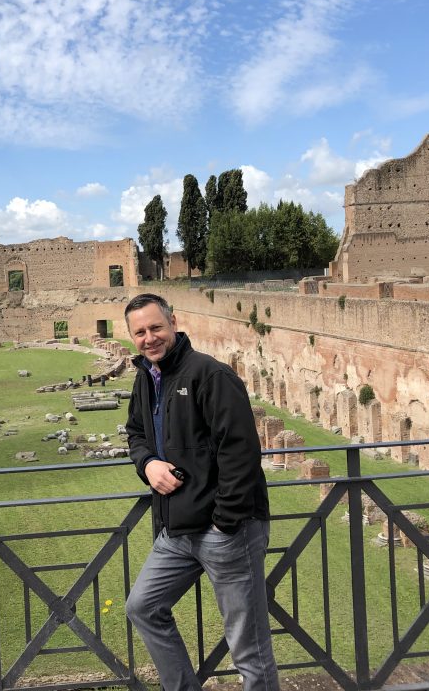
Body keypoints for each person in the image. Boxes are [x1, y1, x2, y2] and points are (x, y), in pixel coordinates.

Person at [123, 293, 279, 691]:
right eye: (139, 332)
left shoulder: (210, 375)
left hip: (225, 531)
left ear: (173, 322)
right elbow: (136, 433)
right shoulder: (146, 378)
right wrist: (147, 464)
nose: (149, 338)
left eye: (156, 327)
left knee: (248, 649)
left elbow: (241, 451)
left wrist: (225, 522)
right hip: (176, 533)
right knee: (142, 607)